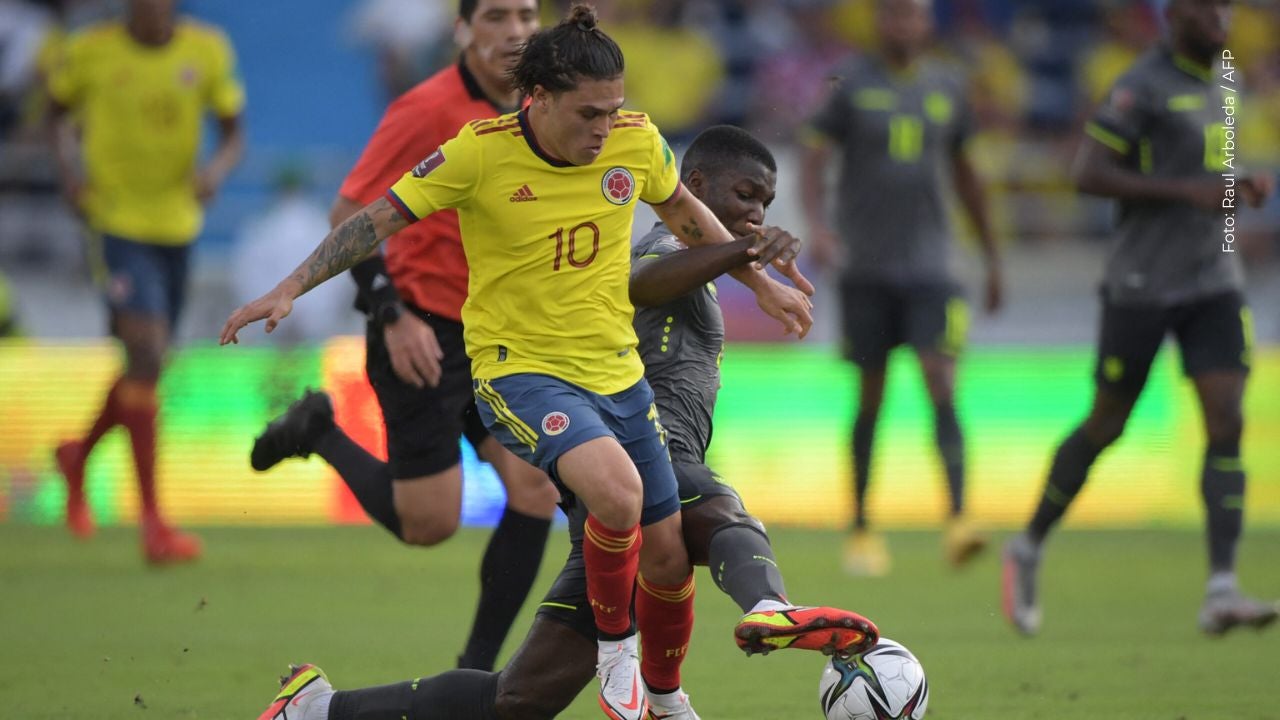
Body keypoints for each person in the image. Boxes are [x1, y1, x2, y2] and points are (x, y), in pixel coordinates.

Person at [221, 6, 814, 719]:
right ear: (538, 99)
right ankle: (620, 655)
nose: (604, 128)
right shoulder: (477, 152)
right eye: (589, 113)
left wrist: (764, 286)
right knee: (619, 497)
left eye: (613, 110)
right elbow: (371, 219)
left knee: (657, 557)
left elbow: (688, 216)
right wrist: (286, 288)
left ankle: (662, 696)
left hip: (616, 376)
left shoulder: (633, 143)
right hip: (520, 370)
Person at [246, 0, 560, 673]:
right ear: (462, 30)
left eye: (527, 16)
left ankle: (475, 673)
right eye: (497, 17)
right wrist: (390, 311)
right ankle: (319, 429)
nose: (514, 32)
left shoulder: (545, 107)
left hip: (499, 335)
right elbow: (347, 210)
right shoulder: (426, 109)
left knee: (536, 488)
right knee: (430, 524)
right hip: (421, 328)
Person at [1003, 0, 1278, 637]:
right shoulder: (1139, 85)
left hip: (1214, 280)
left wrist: (1236, 201)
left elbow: (1217, 178)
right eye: (1209, 10)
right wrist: (1190, 194)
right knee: (1108, 421)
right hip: (1141, 283)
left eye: (1228, 9)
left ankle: (1221, 587)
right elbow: (1089, 174)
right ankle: (1030, 542)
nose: (1224, 19)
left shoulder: (1228, 81)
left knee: (1227, 415)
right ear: (1175, 15)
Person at [799, 0, 1003, 577]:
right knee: (871, 395)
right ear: (879, 22)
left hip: (934, 268)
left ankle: (960, 519)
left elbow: (968, 175)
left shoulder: (949, 86)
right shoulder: (852, 85)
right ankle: (862, 527)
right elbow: (814, 159)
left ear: (927, 22)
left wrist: (991, 259)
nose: (904, 26)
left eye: (913, 15)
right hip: (867, 267)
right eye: (893, 15)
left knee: (941, 379)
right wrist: (818, 225)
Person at [49, 0, 245, 564]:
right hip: (114, 223)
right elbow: (55, 115)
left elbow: (233, 133)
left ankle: (78, 456)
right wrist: (70, 176)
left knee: (148, 364)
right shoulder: (90, 52)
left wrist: (215, 171)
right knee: (147, 348)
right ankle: (154, 524)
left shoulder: (206, 49)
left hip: (178, 225)